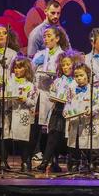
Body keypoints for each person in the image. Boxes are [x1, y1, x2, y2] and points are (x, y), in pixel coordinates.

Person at [37, 50, 82, 172]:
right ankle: (47, 162)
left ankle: (72, 162)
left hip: (71, 111)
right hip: (58, 109)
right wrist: (53, 96)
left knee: (70, 138)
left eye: (68, 64)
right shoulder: (57, 81)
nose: (66, 67)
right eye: (63, 65)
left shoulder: (77, 80)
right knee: (53, 136)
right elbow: (52, 94)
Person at [31, 25, 71, 161]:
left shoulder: (63, 55)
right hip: (40, 93)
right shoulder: (40, 54)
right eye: (44, 36)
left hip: (55, 94)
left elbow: (66, 74)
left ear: (57, 38)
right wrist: (34, 64)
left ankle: (54, 154)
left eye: (49, 36)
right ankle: (36, 151)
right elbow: (32, 73)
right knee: (36, 123)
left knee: (54, 126)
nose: (46, 39)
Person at [64, 63, 99, 172]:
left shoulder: (94, 91)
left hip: (89, 121)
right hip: (75, 121)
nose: (79, 78)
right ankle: (74, 163)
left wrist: (91, 110)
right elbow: (67, 103)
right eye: (76, 76)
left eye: (81, 75)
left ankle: (97, 163)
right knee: (75, 143)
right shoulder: (71, 90)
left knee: (91, 142)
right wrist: (66, 112)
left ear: (88, 75)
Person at [1, 56, 38, 172]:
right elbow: (3, 95)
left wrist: (25, 100)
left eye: (20, 67)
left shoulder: (30, 86)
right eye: (15, 67)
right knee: (5, 137)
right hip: (8, 113)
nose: (17, 70)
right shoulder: (8, 82)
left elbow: (33, 102)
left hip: (23, 114)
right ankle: (3, 161)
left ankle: (25, 162)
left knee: (23, 139)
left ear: (26, 69)